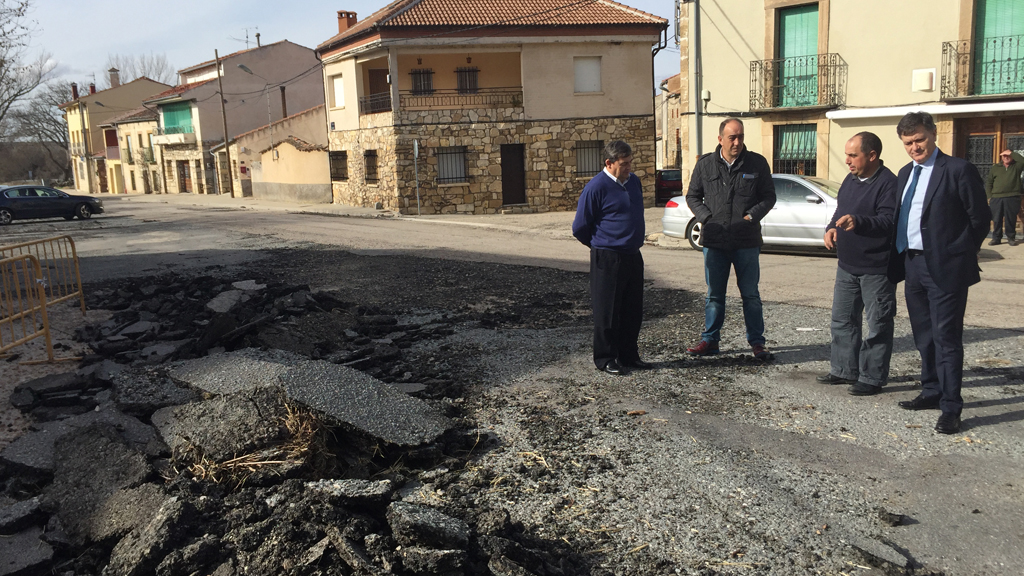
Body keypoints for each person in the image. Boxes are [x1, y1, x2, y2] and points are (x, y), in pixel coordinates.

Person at [891, 111, 991, 434]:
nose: (914, 147)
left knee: (947, 338)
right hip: (913, 266)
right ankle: (931, 390)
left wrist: (958, 252)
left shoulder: (958, 169)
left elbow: (979, 219)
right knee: (924, 335)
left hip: (945, 268)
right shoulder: (906, 173)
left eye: (919, 139)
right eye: (908, 142)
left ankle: (951, 406)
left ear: (933, 134)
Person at [685, 118, 776, 360]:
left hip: (746, 241)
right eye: (732, 138)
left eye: (740, 137)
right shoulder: (705, 165)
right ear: (720, 139)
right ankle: (710, 341)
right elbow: (693, 196)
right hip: (715, 241)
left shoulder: (757, 163)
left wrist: (751, 216)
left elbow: (769, 197)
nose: (737, 142)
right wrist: (707, 218)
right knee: (714, 294)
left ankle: (757, 342)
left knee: (751, 295)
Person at [817, 132, 898, 396]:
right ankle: (843, 370)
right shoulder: (850, 180)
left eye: (853, 155)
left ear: (872, 156)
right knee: (842, 320)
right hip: (847, 265)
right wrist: (831, 228)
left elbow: (889, 221)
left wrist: (859, 221)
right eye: (847, 155)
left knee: (878, 324)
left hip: (877, 267)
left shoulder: (889, 184)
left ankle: (872, 377)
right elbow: (841, 210)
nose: (848, 161)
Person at [572, 140, 649, 375]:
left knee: (632, 310)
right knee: (607, 311)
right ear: (609, 163)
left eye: (630, 162)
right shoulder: (596, 187)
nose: (629, 167)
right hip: (607, 256)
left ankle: (628, 355)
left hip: (632, 255)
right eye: (624, 164)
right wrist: (601, 245)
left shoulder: (633, 182)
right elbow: (580, 227)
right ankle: (605, 358)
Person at [985, 147, 1024, 246]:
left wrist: (1011, 152)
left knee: (1010, 219)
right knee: (996, 219)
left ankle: (1011, 238)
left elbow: (1022, 160)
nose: (1006, 157)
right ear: (1001, 157)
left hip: (1012, 197)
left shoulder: (1016, 166)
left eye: (1008, 156)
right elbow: (989, 182)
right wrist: (989, 196)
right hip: (996, 198)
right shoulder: (995, 168)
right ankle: (996, 238)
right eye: (1004, 156)